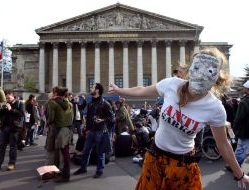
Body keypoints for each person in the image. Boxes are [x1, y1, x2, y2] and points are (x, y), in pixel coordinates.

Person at [109, 47, 249, 189]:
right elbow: (142, 90)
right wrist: (120, 90)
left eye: (210, 71)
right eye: (197, 68)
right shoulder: (171, 84)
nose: (201, 76)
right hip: (154, 158)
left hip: (182, 166)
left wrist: (240, 174)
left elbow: (223, 144)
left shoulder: (215, 108)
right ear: (190, 69)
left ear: (217, 78)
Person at [74, 83, 114, 178]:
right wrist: (76, 102)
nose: (91, 89)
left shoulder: (105, 104)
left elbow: (112, 118)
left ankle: (99, 170)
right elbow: (84, 113)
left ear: (97, 90)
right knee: (86, 150)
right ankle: (83, 168)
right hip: (91, 131)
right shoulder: (91, 102)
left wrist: (102, 120)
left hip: (100, 131)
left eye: (92, 87)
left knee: (100, 152)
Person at [46, 86, 73, 183]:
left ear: (56, 93)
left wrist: (48, 123)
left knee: (64, 153)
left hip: (59, 128)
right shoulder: (69, 103)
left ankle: (66, 176)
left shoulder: (52, 102)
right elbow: (72, 117)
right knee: (65, 152)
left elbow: (51, 118)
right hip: (68, 129)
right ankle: (65, 172)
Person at [0, 90, 24, 171]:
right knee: (1, 147)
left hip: (14, 128)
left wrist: (11, 109)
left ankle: (11, 163)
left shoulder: (19, 103)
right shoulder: (5, 104)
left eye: (9, 97)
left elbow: (21, 114)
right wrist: (2, 109)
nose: (7, 99)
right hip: (4, 127)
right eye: (6, 98)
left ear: (13, 96)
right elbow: (1, 115)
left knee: (13, 147)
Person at [233, 81, 249, 167]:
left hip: (245, 130)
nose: (243, 89)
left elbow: (238, 118)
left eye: (244, 87)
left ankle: (236, 167)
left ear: (247, 89)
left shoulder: (244, 102)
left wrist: (234, 128)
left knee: (241, 149)